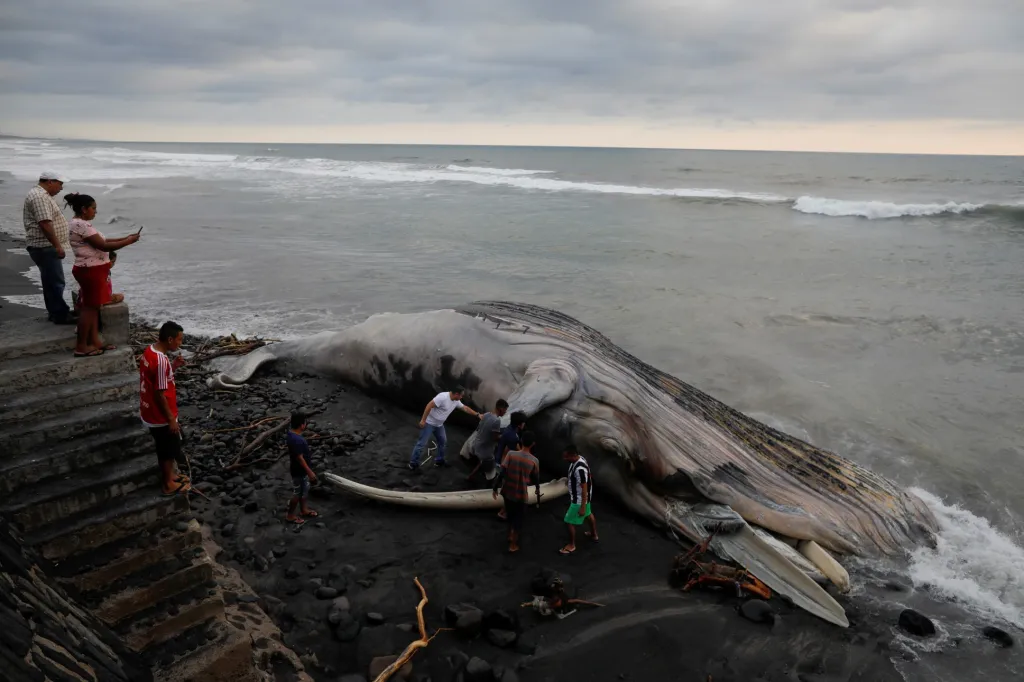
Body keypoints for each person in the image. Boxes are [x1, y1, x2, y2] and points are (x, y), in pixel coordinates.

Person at [64, 193, 140, 357]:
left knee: (93, 307)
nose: (95, 212)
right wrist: (129, 241)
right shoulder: (81, 225)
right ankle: (82, 346)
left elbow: (103, 240)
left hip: (92, 270)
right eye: (93, 208)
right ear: (84, 209)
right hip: (90, 270)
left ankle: (94, 342)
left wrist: (126, 237)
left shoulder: (81, 224)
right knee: (89, 309)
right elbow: (103, 246)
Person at [140, 321, 189, 495]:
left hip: (148, 411)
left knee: (164, 446)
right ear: (169, 339)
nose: (180, 344)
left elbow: (156, 379)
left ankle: (170, 476)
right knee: (167, 449)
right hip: (160, 416)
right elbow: (160, 394)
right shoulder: (161, 360)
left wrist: (173, 366)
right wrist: (170, 420)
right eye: (179, 340)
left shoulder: (150, 351)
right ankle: (168, 483)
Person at [23, 171, 74, 324]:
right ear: (50, 182)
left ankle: (56, 312)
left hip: (44, 246)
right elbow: (45, 223)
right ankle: (60, 315)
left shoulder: (42, 195)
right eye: (60, 184)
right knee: (55, 281)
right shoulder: (39, 197)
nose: (61, 188)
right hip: (45, 246)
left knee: (51, 280)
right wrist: (57, 245)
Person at [409, 387, 483, 469]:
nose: (461, 397)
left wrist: (477, 414)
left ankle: (439, 461)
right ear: (456, 394)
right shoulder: (442, 397)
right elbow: (429, 405)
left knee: (443, 442)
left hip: (439, 425)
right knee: (421, 444)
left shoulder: (456, 401)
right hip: (429, 423)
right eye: (461, 395)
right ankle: (413, 464)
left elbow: (465, 408)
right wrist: (423, 420)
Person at [492, 430, 541, 553]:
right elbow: (536, 479)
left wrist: (495, 487)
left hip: (508, 491)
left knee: (509, 514)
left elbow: (502, 473)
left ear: (521, 441)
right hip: (521, 494)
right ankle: (513, 545)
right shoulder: (534, 461)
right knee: (519, 520)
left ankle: (509, 535)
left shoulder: (511, 454)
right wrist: (538, 494)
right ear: (533, 444)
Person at [559, 445, 598, 554]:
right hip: (586, 497)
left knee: (569, 521)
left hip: (579, 499)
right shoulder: (580, 459)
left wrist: (582, 506)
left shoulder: (579, 469)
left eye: (566, 457)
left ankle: (571, 545)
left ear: (572, 455)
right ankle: (594, 534)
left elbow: (584, 487)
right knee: (589, 514)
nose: (564, 459)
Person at [286, 411, 319, 524]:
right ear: (302, 425)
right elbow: (300, 458)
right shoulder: (297, 440)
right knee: (297, 493)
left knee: (304, 490)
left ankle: (304, 510)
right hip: (299, 471)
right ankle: (290, 515)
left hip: (299, 471)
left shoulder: (292, 435)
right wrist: (310, 472)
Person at [466, 399, 509, 483]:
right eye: (505, 410)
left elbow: (479, 429)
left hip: (476, 445)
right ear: (500, 409)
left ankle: (470, 476)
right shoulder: (497, 421)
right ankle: (489, 482)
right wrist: (504, 436)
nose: (505, 413)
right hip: (485, 451)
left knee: (483, 462)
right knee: (491, 472)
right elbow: (495, 438)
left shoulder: (486, 415)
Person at [495, 411, 528, 520]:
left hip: (500, 461)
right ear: (520, 424)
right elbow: (513, 452)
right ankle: (503, 512)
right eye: (523, 423)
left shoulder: (510, 429)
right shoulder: (513, 436)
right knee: (511, 490)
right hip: (504, 465)